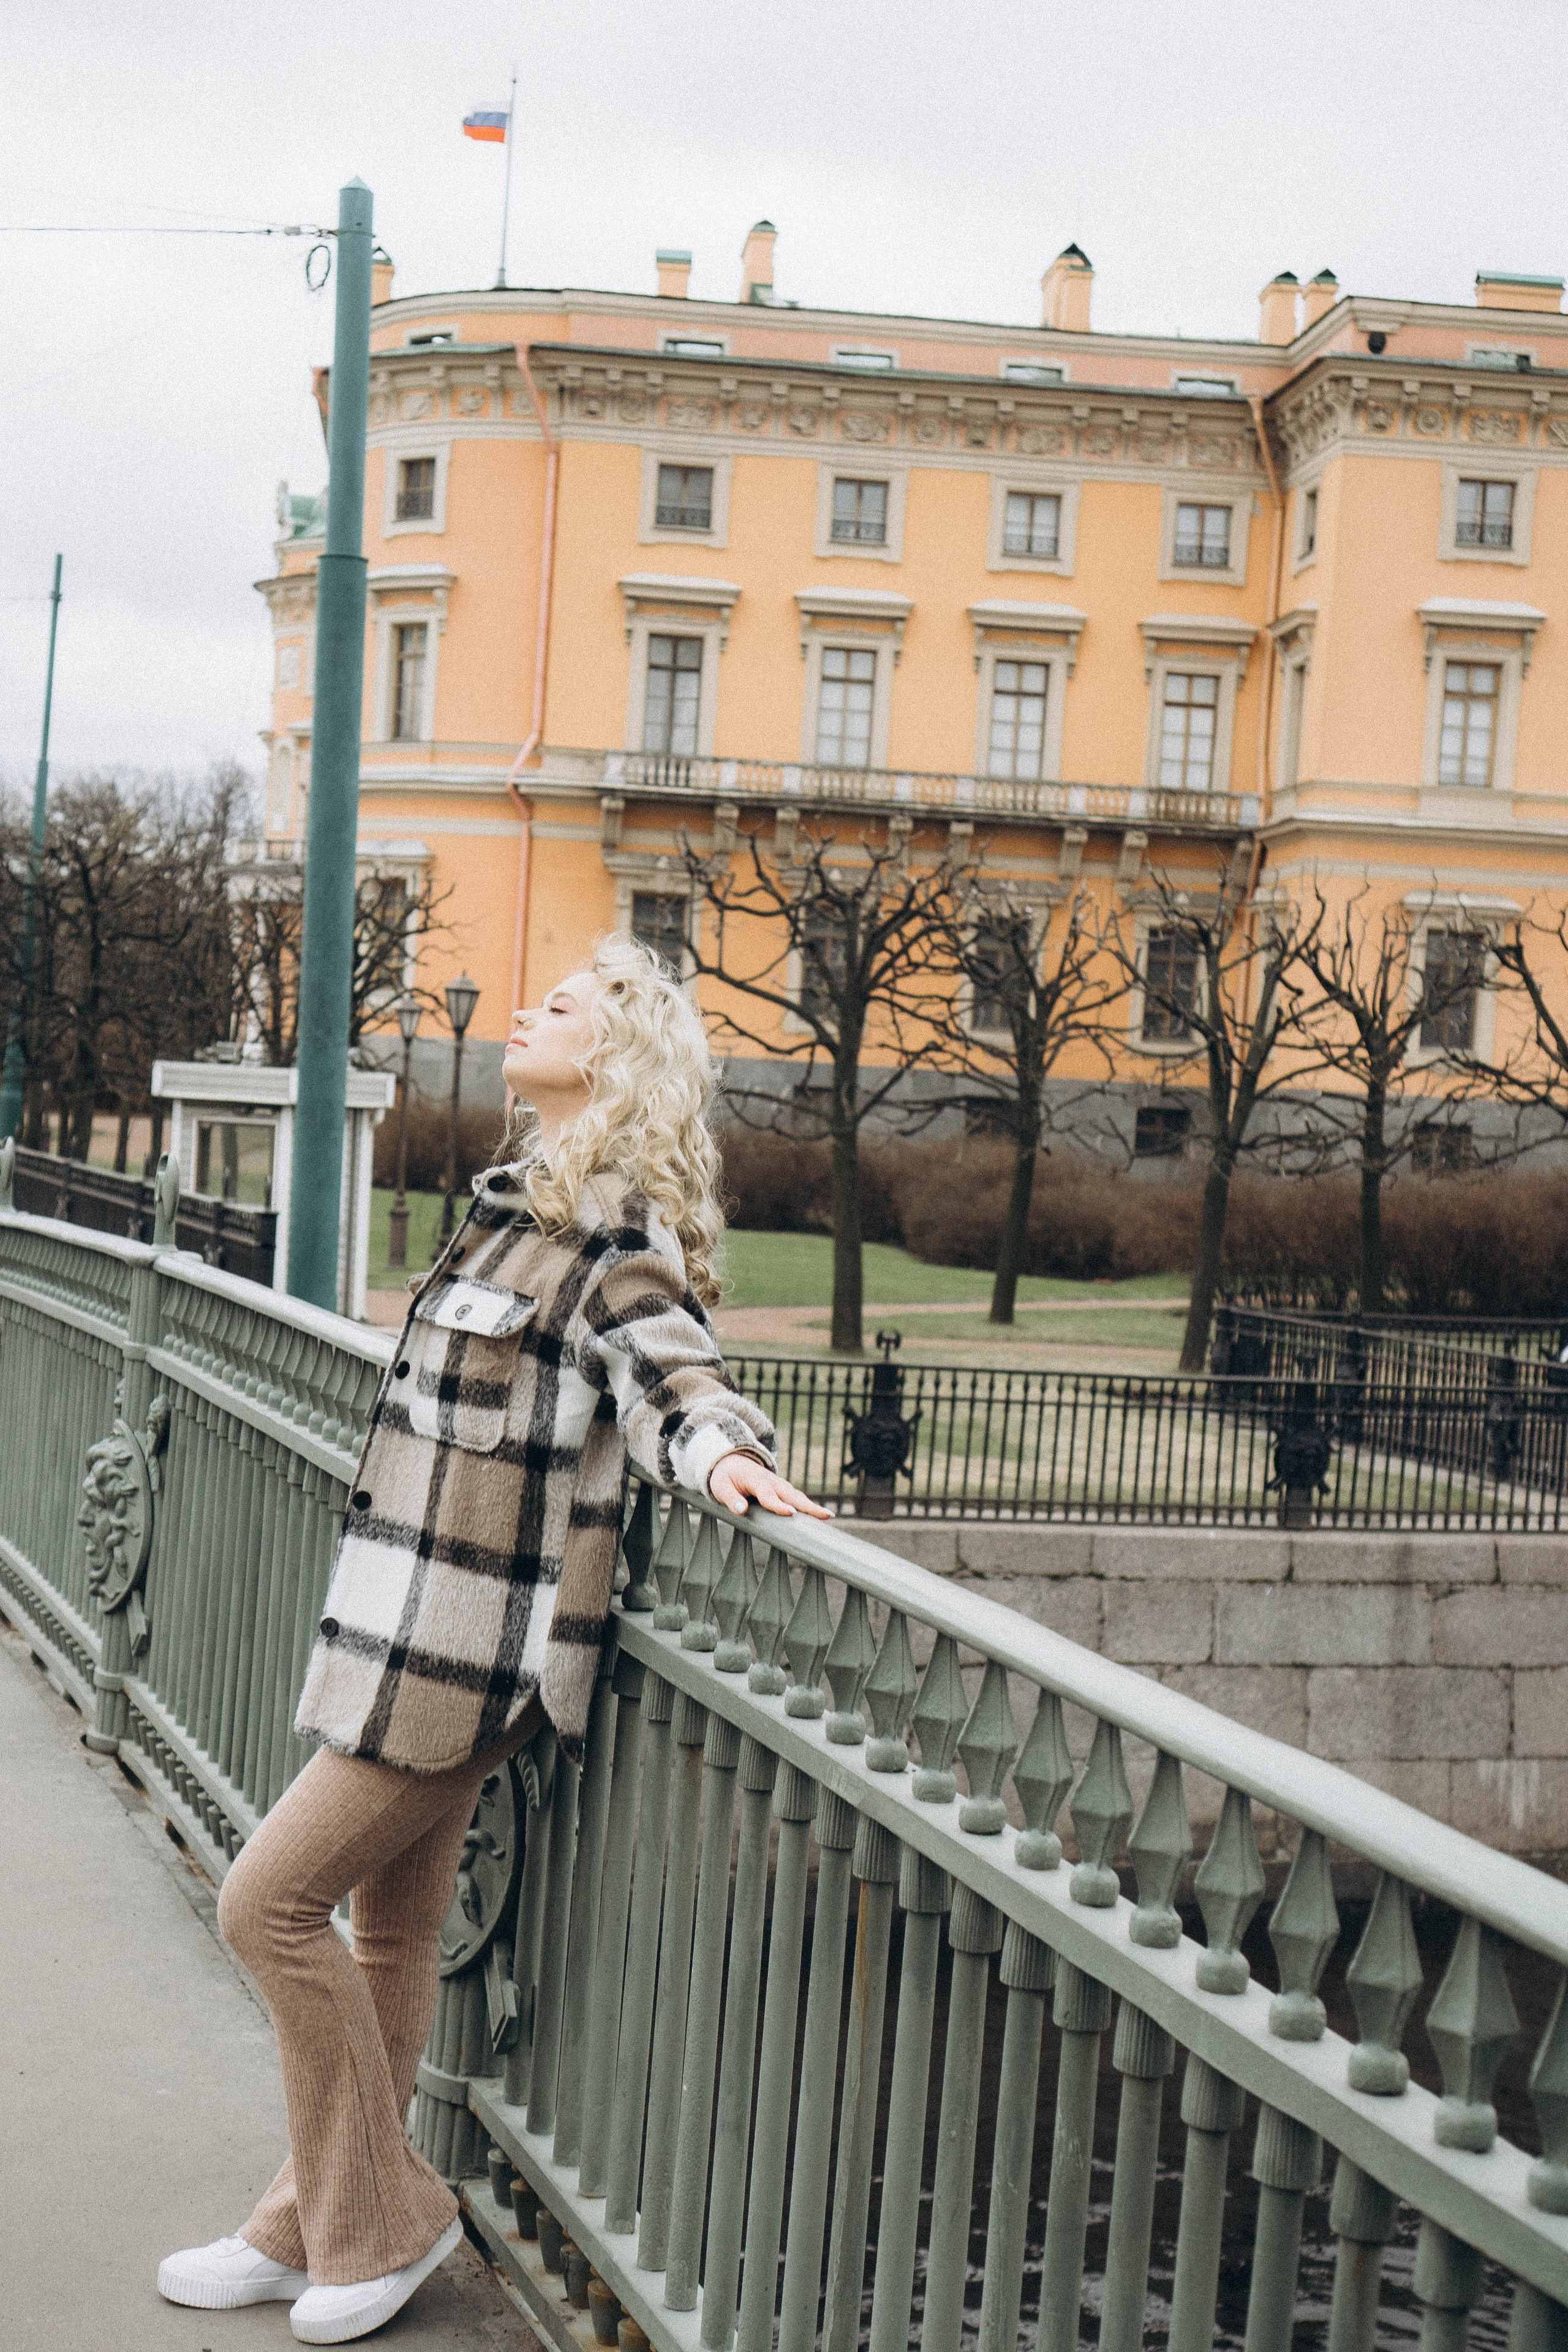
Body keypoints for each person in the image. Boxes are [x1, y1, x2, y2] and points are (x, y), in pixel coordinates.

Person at [157, 939, 827, 2343]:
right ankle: (306, 2222)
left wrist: (723, 1462)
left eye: (564, 1005)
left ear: (616, 1057)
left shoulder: (611, 1234)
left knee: (263, 1906)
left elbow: (673, 1376)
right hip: (394, 1626)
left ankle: (384, 2218)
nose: (529, 1008)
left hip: (468, 1660)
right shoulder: (511, 1211)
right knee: (387, 1935)